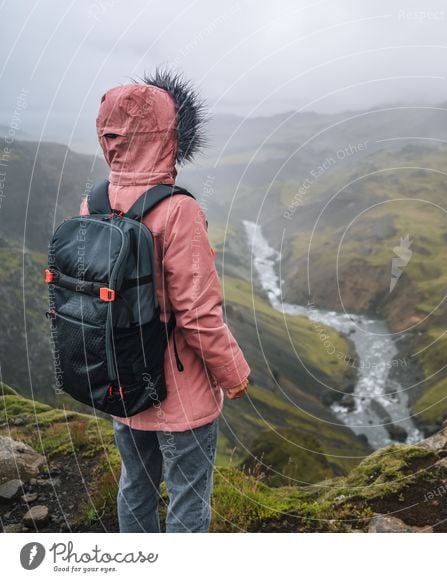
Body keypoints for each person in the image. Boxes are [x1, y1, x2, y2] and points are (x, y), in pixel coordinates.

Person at [81, 69, 251, 533]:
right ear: (170, 135)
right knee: (188, 499)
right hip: (181, 393)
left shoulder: (94, 202)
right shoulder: (178, 209)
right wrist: (232, 373)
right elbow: (196, 314)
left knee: (135, 486)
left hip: (121, 383)